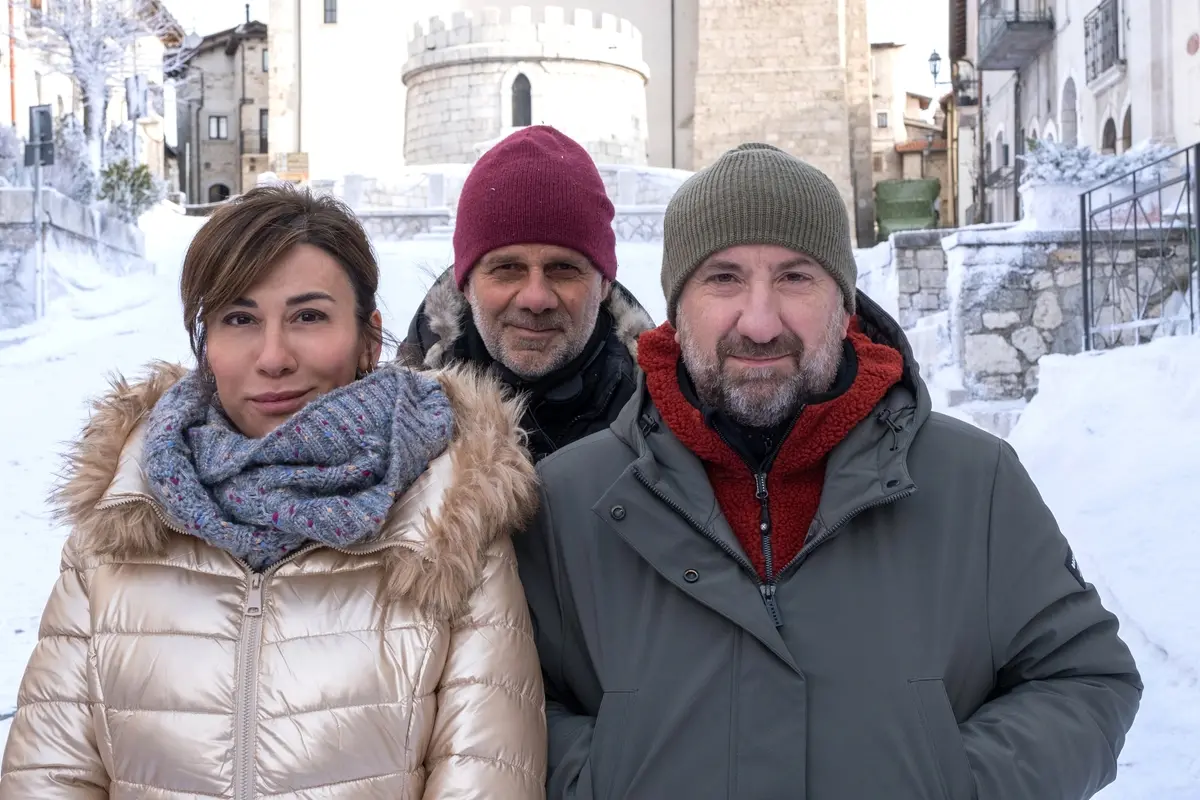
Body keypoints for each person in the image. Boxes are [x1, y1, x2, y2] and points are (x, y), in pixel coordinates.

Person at [515, 144, 1142, 798]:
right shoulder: (567, 501)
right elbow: (507, 706)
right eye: (723, 278)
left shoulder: (974, 482)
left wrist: (952, 784)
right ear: (678, 310)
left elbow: (1085, 680)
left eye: (795, 277)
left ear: (844, 306)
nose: (759, 323)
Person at [0, 185, 547, 799]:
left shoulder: (449, 519)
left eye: (309, 316)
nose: (273, 356)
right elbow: (52, 776)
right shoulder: (124, 515)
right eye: (239, 319)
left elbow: (483, 779)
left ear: (369, 338)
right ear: (206, 343)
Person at [399, 126, 653, 461]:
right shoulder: (397, 428)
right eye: (507, 268)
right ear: (465, 284)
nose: (535, 299)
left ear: (604, 283)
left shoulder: (667, 422)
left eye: (563, 268)